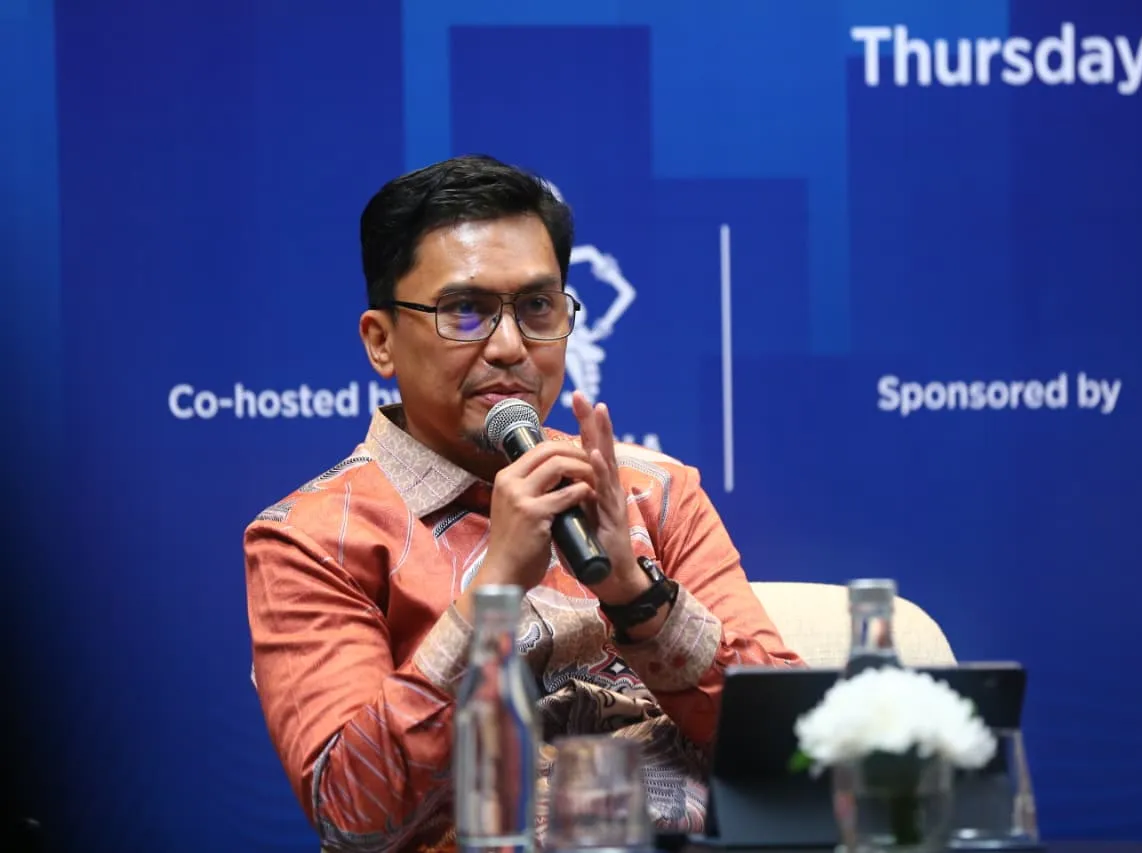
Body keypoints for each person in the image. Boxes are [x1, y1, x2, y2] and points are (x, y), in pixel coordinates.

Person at [243, 154, 802, 853]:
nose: (510, 347)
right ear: (381, 342)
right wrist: (492, 595)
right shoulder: (312, 537)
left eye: (537, 307)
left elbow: (796, 746)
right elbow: (356, 816)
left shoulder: (652, 491)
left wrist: (636, 596)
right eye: (465, 311)